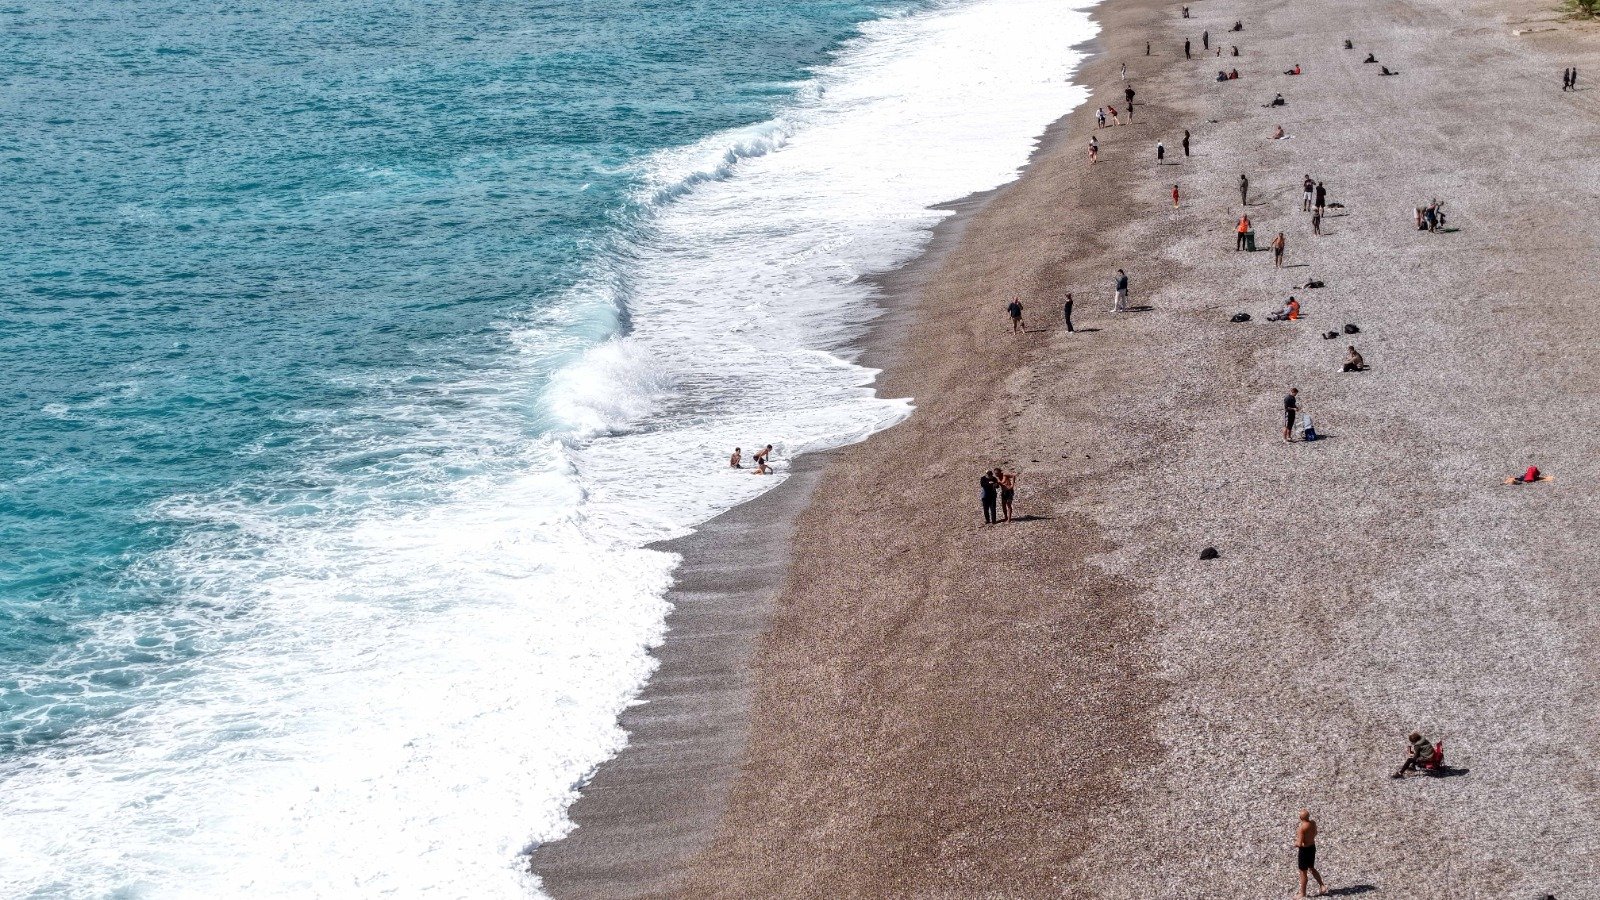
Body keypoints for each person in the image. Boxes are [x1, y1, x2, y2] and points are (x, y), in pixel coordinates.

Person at [1295, 810, 1325, 898]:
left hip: (1304, 851)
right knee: (1312, 868)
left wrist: (1295, 843)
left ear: (1301, 818)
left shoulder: (1301, 828)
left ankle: (1302, 893)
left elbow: (1300, 843)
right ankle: (1322, 885)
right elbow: (1315, 833)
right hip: (1312, 847)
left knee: (1303, 872)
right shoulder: (1313, 823)